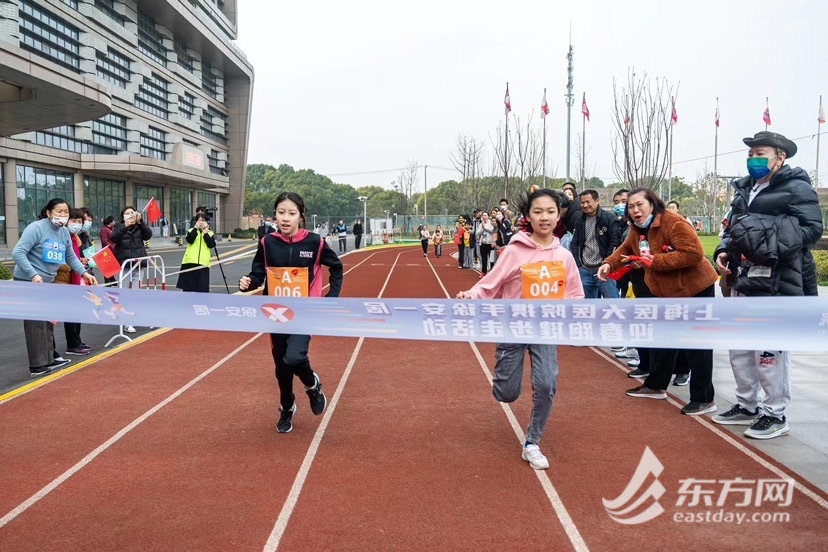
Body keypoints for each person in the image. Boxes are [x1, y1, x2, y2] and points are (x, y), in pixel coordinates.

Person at [457, 188, 585, 470]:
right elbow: (491, 282)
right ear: (528, 216)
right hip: (513, 327)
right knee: (506, 393)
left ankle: (532, 442)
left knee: (547, 383)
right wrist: (472, 295)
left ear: (558, 215)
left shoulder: (563, 256)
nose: (545, 217)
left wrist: (572, 316)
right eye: (538, 211)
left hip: (545, 331)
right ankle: (503, 378)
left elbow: (576, 296)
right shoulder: (514, 251)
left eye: (551, 211)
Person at [712, 131, 823, 439]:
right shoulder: (743, 189)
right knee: (740, 348)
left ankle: (775, 413)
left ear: (780, 157)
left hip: (777, 281)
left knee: (769, 351)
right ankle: (746, 404)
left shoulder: (797, 187)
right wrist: (723, 251)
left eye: (759, 153)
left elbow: (811, 229)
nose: (753, 160)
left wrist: (763, 240)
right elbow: (732, 227)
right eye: (749, 155)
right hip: (742, 277)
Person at [598, 188, 719, 416]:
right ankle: (655, 385)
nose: (635, 210)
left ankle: (704, 398)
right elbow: (625, 249)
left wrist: (657, 261)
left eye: (639, 205)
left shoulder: (674, 223)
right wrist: (609, 264)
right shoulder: (638, 229)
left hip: (695, 289)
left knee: (697, 344)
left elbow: (694, 253)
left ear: (652, 204)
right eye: (631, 207)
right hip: (666, 293)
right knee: (662, 338)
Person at [239, 192, 344, 433]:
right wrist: (248, 282)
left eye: (292, 213)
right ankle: (287, 407)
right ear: (275, 214)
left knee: (294, 358)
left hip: (305, 313)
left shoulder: (315, 242)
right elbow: (259, 274)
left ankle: (312, 384)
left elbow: (336, 267)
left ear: (300, 216)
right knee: (281, 368)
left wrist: (331, 298)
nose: (285, 218)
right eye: (281, 212)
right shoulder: (267, 242)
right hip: (275, 314)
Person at [12, 198, 98, 376]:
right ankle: (37, 365)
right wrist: (33, 274)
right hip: (29, 281)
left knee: (47, 322)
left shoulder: (64, 233)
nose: (63, 215)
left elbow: (71, 257)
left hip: (48, 281)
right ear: (49, 213)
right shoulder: (36, 228)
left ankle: (49, 359)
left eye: (66, 212)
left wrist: (84, 273)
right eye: (59, 211)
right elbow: (18, 252)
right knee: (36, 324)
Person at [570, 190, 622, 298]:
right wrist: (579, 265)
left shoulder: (609, 218)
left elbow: (614, 243)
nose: (585, 205)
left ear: (597, 201)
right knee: (588, 307)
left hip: (604, 268)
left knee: (612, 301)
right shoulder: (580, 220)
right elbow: (574, 243)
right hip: (585, 268)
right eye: (582, 202)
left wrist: (607, 263)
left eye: (588, 202)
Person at [110, 206, 152, 333]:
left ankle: (131, 320)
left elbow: (148, 235)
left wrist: (141, 222)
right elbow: (113, 238)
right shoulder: (118, 226)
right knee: (124, 293)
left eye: (132, 213)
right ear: (123, 216)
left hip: (138, 264)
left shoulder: (139, 226)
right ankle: (124, 320)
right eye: (127, 213)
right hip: (124, 264)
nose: (130, 215)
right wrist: (125, 226)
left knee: (135, 293)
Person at [176, 213, 216, 293]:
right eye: (199, 220)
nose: (201, 222)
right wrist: (195, 228)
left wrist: (205, 233)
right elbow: (190, 240)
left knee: (202, 290)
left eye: (203, 221)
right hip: (190, 262)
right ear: (196, 221)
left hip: (203, 264)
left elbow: (211, 244)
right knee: (187, 289)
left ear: (207, 222)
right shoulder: (191, 231)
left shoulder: (210, 233)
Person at [98, 215, 116, 284]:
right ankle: (108, 281)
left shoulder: (111, 229)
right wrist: (112, 247)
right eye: (113, 220)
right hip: (107, 251)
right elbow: (105, 241)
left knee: (111, 266)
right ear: (110, 222)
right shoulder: (104, 229)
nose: (114, 222)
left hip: (112, 251)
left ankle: (112, 279)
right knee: (107, 267)